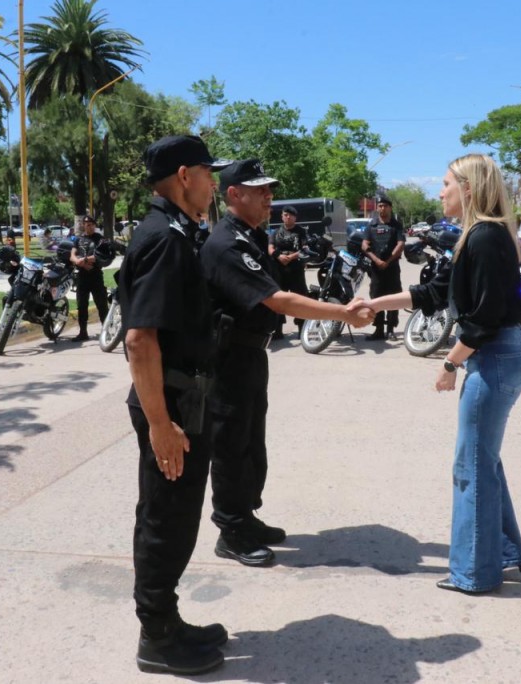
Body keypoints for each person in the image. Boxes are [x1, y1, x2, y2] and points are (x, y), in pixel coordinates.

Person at [351, 153, 521, 594]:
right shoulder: (475, 236)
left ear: (468, 189)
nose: (440, 191)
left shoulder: (486, 237)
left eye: (446, 183)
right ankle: (501, 553)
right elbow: (430, 293)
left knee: (470, 466)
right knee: (482, 461)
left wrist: (450, 363)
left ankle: (474, 574)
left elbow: (484, 319)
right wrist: (375, 304)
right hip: (495, 356)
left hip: (494, 357)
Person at [200, 159, 372, 567]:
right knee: (230, 443)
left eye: (269, 189)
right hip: (227, 359)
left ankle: (246, 515)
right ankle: (231, 530)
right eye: (259, 190)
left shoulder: (253, 235)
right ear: (233, 195)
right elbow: (278, 300)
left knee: (249, 441)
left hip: (250, 352)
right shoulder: (227, 243)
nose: (268, 197)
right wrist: (342, 313)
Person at [120, 135, 232, 676]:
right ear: (185, 176)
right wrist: (162, 424)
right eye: (211, 174)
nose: (217, 184)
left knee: (177, 515)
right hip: (172, 403)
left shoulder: (179, 231)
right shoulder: (163, 238)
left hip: (185, 396)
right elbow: (139, 339)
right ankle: (156, 635)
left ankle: (167, 617)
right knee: (166, 517)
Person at [361, 195, 405, 340]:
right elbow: (365, 244)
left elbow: (400, 245)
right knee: (376, 298)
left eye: (385, 206)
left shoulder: (396, 225)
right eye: (380, 206)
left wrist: (388, 260)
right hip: (376, 269)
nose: (382, 208)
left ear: (390, 208)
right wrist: (376, 260)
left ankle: (391, 329)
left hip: (392, 268)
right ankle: (378, 330)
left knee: (393, 298)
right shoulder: (371, 225)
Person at [268, 205, 309, 339]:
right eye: (285, 214)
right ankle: (278, 330)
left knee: (299, 299)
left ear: (295, 217)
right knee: (279, 300)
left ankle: (302, 329)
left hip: (296, 269)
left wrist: (291, 257)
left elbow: (305, 249)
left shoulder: (301, 232)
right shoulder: (276, 232)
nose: (288, 217)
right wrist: (279, 256)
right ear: (282, 216)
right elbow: (270, 247)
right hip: (279, 270)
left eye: (291, 215)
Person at [70, 215, 110, 342]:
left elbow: (101, 255)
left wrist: (85, 260)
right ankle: (83, 332)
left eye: (92, 224)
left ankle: (106, 331)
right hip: (82, 276)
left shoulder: (100, 239)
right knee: (82, 305)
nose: (89, 226)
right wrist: (78, 261)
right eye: (87, 224)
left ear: (95, 225)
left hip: (95, 275)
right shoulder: (78, 239)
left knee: (101, 305)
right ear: (83, 225)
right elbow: (72, 255)